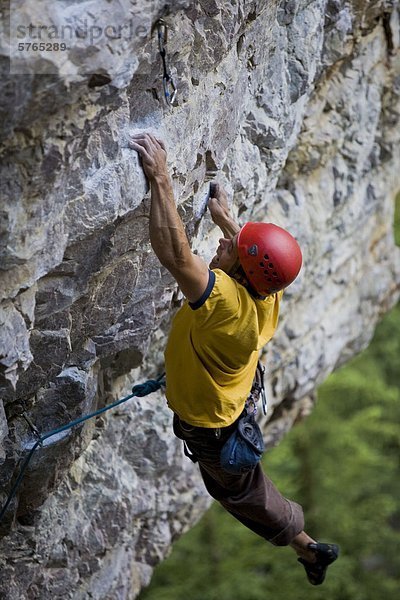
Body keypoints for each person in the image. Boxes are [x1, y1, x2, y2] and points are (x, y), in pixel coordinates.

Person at [130, 132, 339, 586]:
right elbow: (254, 260)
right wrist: (230, 223)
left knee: (241, 494)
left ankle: (304, 545)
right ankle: (309, 548)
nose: (223, 246)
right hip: (235, 402)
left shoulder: (224, 301)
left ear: (241, 270)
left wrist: (161, 178)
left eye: (233, 248)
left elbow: (175, 253)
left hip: (213, 429)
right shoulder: (265, 294)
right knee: (249, 488)